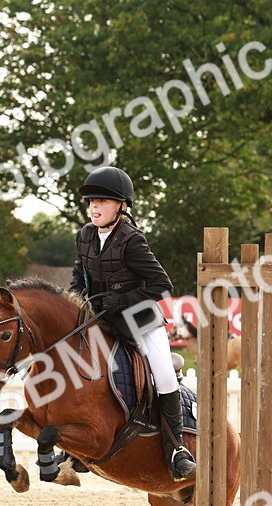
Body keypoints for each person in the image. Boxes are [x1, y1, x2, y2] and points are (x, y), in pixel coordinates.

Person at [69, 165, 196, 481]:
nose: (94, 207)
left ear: (121, 205)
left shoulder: (131, 240)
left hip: (141, 322)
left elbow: (161, 285)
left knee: (165, 376)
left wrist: (122, 300)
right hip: (103, 323)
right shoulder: (84, 236)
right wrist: (76, 298)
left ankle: (176, 449)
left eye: (103, 201)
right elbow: (77, 277)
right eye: (92, 202)